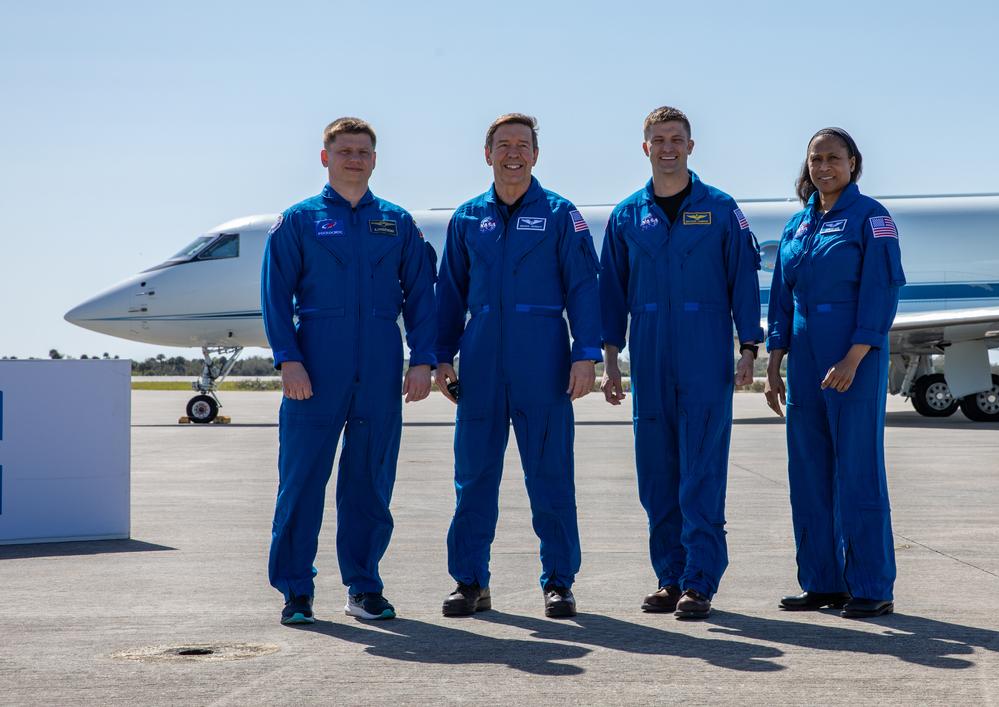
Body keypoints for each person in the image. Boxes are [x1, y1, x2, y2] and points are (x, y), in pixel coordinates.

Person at [261, 117, 438, 625]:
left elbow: (422, 297)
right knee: (300, 484)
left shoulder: (398, 223)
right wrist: (288, 359)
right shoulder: (298, 221)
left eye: (363, 151)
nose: (354, 159)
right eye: (344, 151)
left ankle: (363, 587)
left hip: (380, 367)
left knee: (369, 485)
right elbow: (274, 296)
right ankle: (296, 591)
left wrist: (421, 360)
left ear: (375, 160)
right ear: (325, 157)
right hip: (315, 367)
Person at [433, 113, 602, 619]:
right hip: (481, 364)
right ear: (488, 154)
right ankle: (469, 581)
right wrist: (442, 356)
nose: (513, 153)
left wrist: (585, 354)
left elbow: (583, 288)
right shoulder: (466, 219)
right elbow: (450, 294)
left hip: (543, 362)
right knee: (474, 479)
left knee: (551, 478)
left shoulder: (559, 214)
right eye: (503, 145)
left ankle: (558, 582)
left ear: (535, 154)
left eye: (522, 145)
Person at [598, 107, 762, 620]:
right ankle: (669, 577)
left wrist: (748, 348)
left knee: (702, 472)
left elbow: (743, 281)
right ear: (645, 148)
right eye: (658, 139)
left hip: (704, 354)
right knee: (657, 474)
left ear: (691, 146)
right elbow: (611, 291)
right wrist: (610, 357)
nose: (667, 147)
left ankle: (699, 582)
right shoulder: (627, 215)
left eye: (676, 139)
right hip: (648, 354)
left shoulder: (720, 209)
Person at [764, 127, 906, 619]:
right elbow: (783, 299)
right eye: (815, 159)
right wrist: (774, 363)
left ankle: (871, 584)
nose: (823, 167)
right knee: (807, 476)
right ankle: (823, 582)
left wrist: (854, 356)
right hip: (804, 364)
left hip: (854, 362)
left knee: (857, 473)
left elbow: (881, 292)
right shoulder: (796, 226)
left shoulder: (871, 219)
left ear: (852, 163)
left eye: (833, 159)